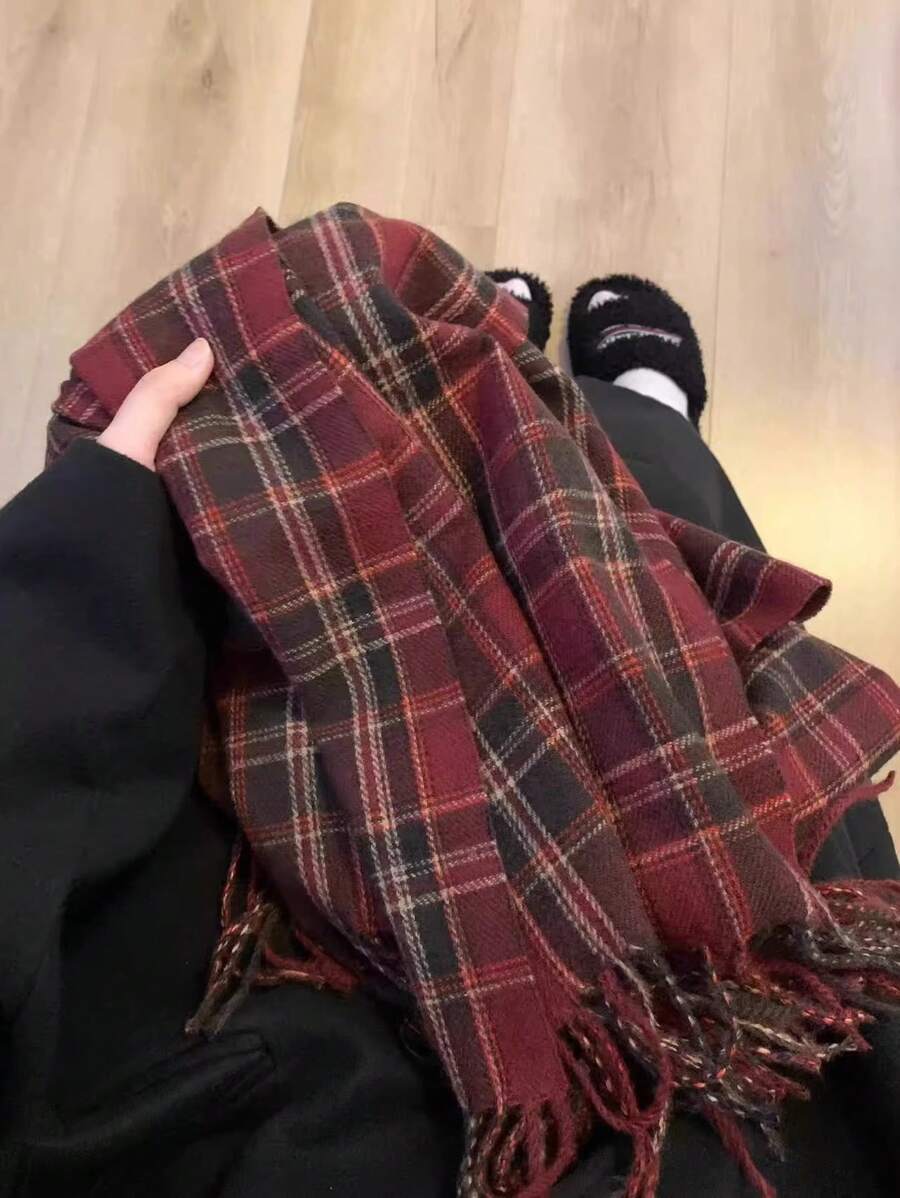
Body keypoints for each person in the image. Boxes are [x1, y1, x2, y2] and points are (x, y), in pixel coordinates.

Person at [1, 279, 897, 1198]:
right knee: (652, 570)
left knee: (532, 509)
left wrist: (80, 572)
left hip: (180, 933)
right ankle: (643, 407)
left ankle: (501, 383)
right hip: (365, 1055)